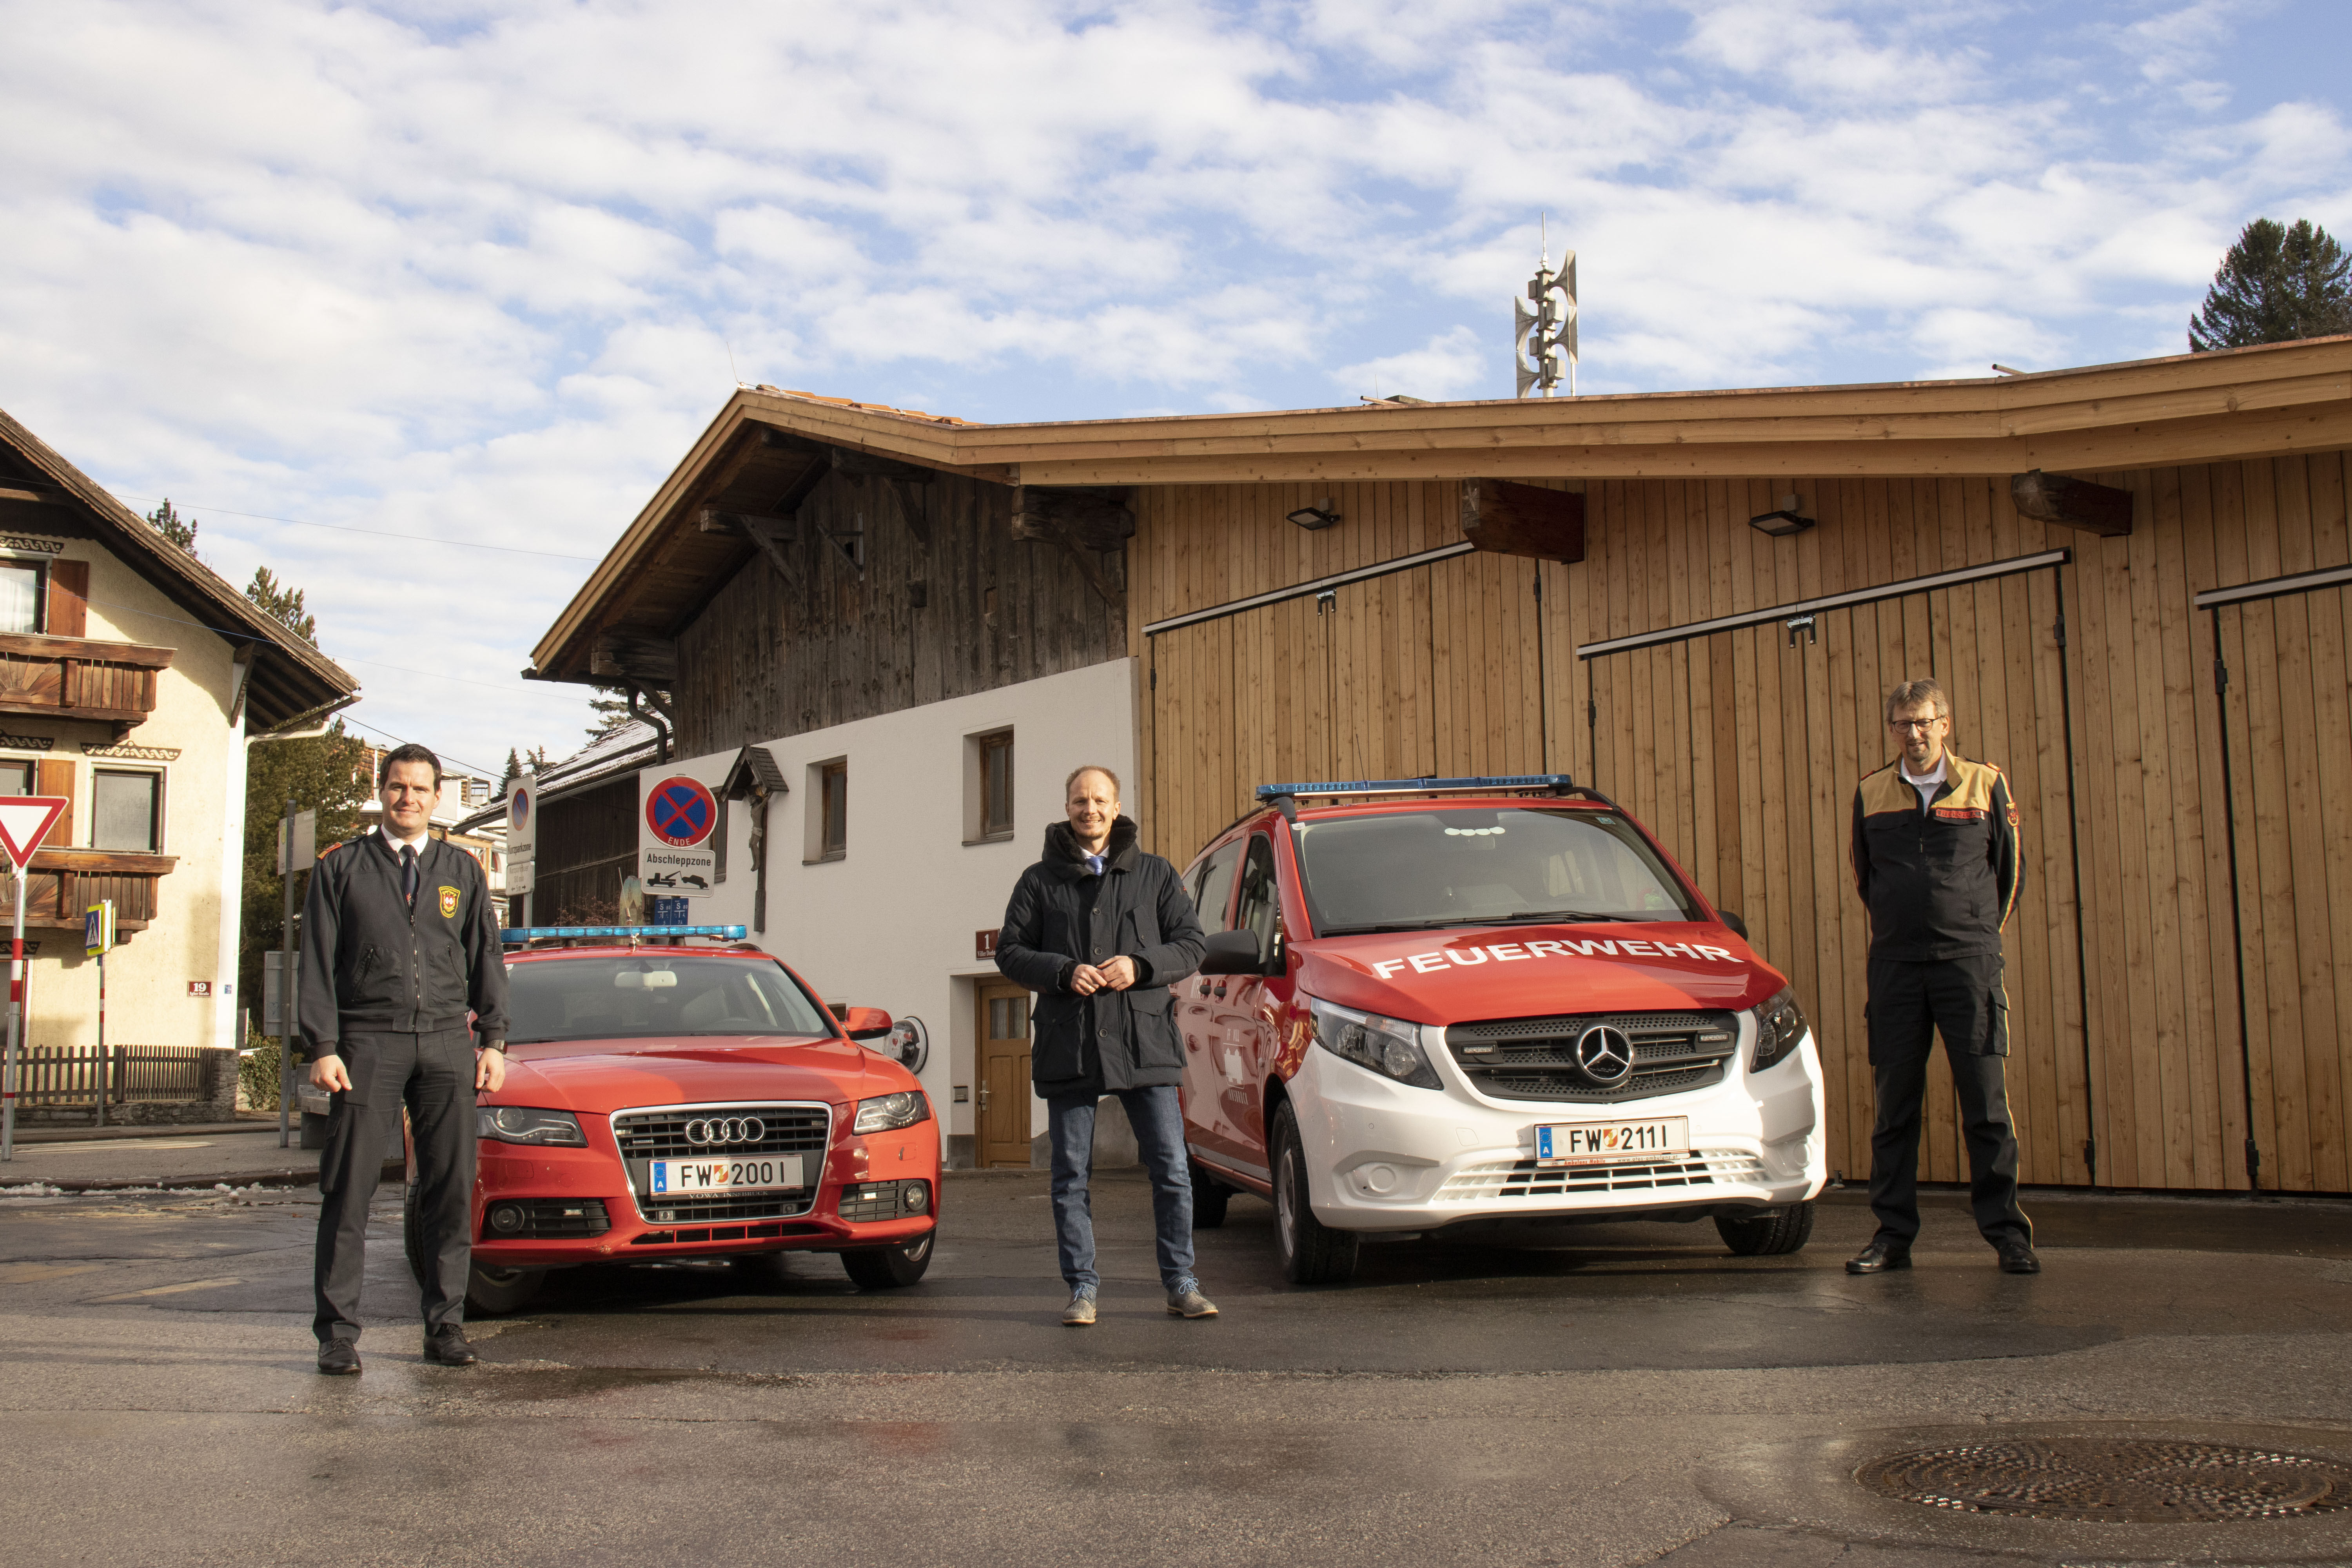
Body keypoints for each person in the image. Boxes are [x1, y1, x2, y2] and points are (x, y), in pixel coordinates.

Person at [301, 743, 510, 1373]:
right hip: (368, 1040)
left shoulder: (462, 870)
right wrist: (323, 1045)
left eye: (420, 789)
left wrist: (496, 1040)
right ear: (381, 791)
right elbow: (316, 960)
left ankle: (445, 1327)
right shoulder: (341, 868)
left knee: (448, 1191)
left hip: (449, 1040)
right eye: (397, 787)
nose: (408, 799)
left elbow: (486, 960)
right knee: (350, 1190)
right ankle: (338, 1336)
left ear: (437, 795)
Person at [996, 764, 1212, 1325]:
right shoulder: (1038, 880)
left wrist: (1141, 965)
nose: (1089, 809)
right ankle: (1082, 1289)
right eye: (1079, 800)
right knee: (1070, 1175)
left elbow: (1191, 944)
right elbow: (1010, 952)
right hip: (1072, 1046)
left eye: (1099, 800)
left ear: (1116, 808)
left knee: (1170, 1168)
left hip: (1146, 1043)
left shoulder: (1156, 875)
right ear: (1066, 808)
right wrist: (1063, 971)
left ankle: (1181, 1282)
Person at [1847, 679, 2037, 1277]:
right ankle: (1893, 1235)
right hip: (1897, 970)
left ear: (1946, 724)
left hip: (1968, 966)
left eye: (1924, 722)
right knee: (1895, 1108)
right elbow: (1865, 877)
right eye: (1902, 724)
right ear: (1893, 730)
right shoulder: (1871, 793)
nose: (1915, 735)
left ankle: (2008, 1235)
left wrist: (1976, 937)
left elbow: (2009, 873)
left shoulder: (1985, 784)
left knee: (1985, 1105)